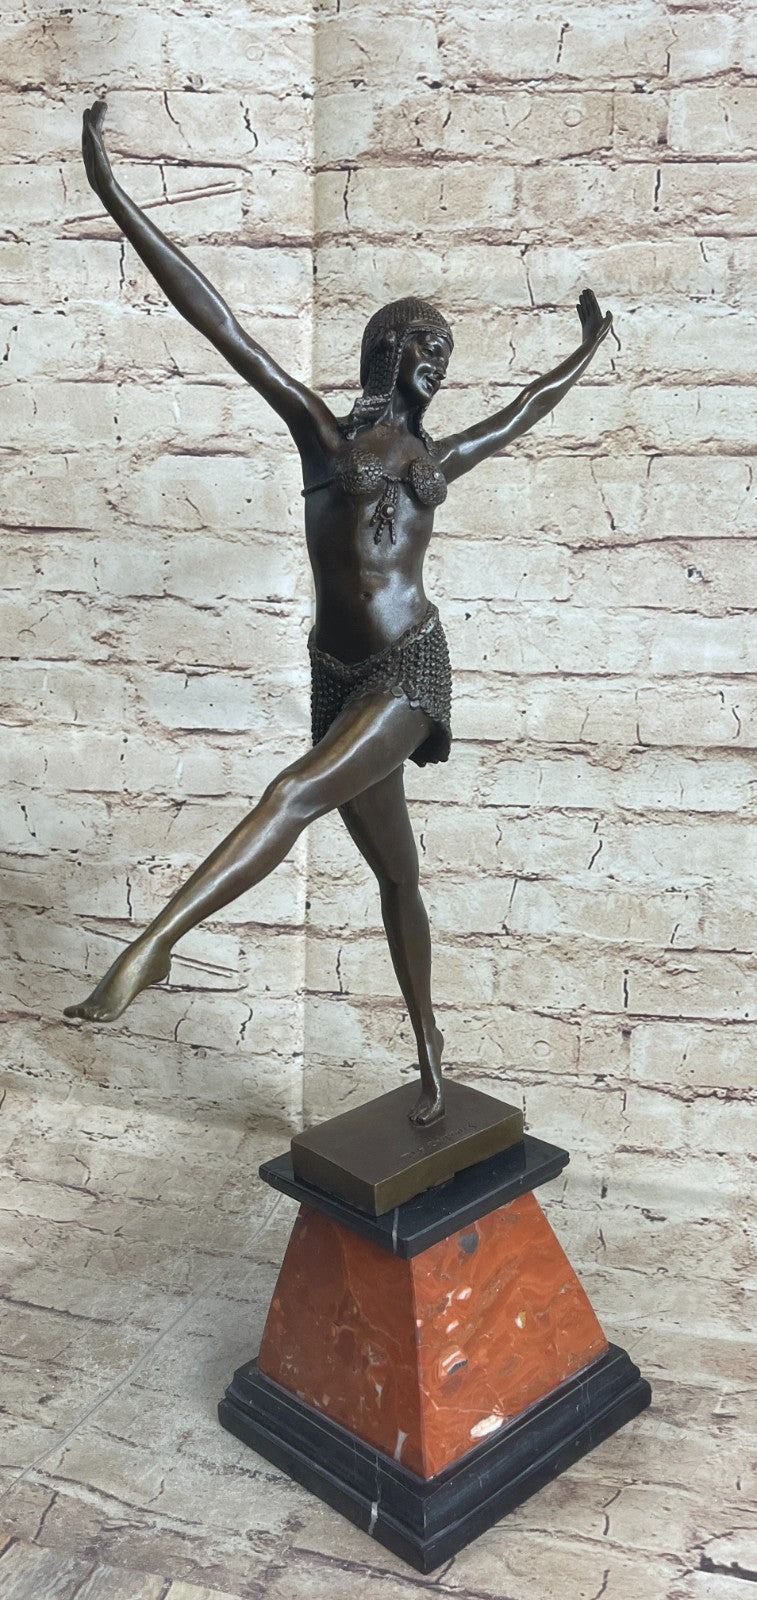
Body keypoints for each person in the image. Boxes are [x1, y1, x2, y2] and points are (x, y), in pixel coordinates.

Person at [65, 101, 613, 1126]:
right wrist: (112, 192)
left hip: (408, 669)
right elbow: (220, 323)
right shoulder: (323, 435)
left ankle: (154, 944)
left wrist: (589, 346)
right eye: (427, 345)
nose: (440, 363)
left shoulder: (437, 455)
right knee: (397, 876)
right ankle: (430, 1049)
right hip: (338, 676)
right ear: (387, 349)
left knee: (291, 792)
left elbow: (527, 407)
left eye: (447, 351)